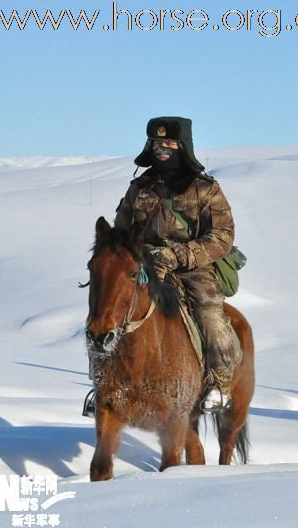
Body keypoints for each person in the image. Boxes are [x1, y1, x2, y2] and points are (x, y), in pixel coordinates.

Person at [84, 116, 241, 416]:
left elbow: (223, 237)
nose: (163, 149)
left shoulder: (206, 189)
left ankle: (219, 384)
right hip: (144, 265)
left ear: (183, 146)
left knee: (209, 312)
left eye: (169, 143)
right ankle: (101, 385)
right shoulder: (140, 187)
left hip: (192, 267)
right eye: (158, 144)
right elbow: (121, 230)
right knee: (105, 308)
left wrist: (180, 255)